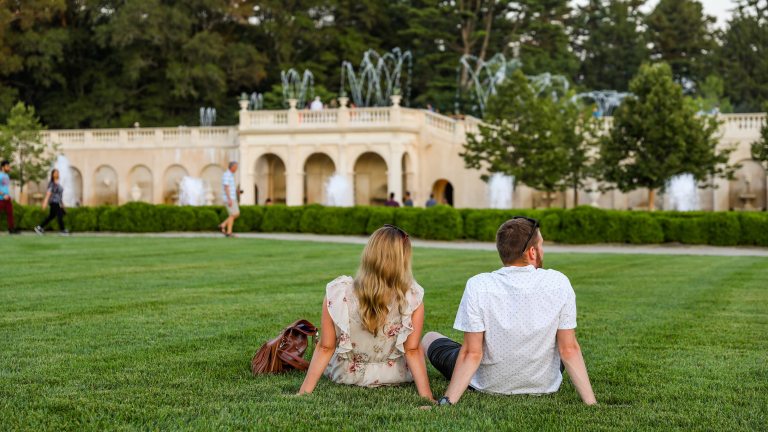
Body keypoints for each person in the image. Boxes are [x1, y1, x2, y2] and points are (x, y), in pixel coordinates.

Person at [422, 217, 597, 406]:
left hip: (488, 383)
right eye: (541, 245)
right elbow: (568, 349)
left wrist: (447, 402)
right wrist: (591, 403)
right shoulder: (559, 282)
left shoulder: (478, 285)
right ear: (532, 252)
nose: (542, 250)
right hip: (543, 383)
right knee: (562, 342)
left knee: (430, 338)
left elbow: (472, 353)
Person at [298, 225, 433, 402]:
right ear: (403, 259)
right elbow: (412, 350)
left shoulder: (338, 292)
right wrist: (428, 397)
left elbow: (326, 347)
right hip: (395, 375)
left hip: (346, 375)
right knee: (423, 343)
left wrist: (303, 392)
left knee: (321, 342)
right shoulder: (412, 296)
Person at [34, 169, 69, 235]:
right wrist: (44, 203)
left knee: (51, 216)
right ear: (52, 175)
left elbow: (60, 196)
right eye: (55, 173)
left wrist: (63, 205)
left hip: (58, 202)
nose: (57, 174)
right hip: (53, 202)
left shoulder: (58, 184)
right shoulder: (52, 184)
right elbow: (48, 193)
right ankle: (62, 230)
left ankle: (39, 227)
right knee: (59, 215)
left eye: (58, 173)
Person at [218, 161, 239, 237]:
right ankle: (228, 231)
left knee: (234, 214)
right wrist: (229, 199)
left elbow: (230, 187)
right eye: (236, 167)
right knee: (234, 214)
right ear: (232, 167)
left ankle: (224, 226)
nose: (236, 169)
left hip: (232, 197)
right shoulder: (227, 175)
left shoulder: (231, 175)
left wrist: (237, 191)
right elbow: (226, 187)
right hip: (230, 198)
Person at [0, 160, 19, 234]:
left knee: (10, 213)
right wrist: (3, 195)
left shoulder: (7, 176)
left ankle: (11, 229)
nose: (9, 167)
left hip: (7, 198)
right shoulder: (0, 175)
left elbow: (5, 187)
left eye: (9, 166)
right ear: (2, 167)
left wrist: (8, 195)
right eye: (7, 166)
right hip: (1, 198)